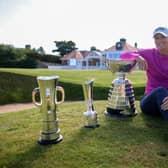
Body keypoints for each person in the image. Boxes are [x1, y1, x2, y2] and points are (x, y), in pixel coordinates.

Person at [121, 26, 168, 120]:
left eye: (163, 37)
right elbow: (123, 55)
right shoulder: (149, 53)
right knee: (160, 91)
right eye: (157, 38)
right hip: (150, 102)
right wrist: (137, 56)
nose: (160, 40)